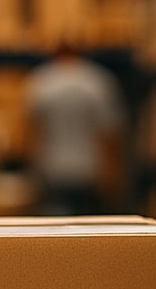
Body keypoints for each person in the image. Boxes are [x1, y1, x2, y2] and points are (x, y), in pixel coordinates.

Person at [25, 42, 125, 216]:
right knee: (88, 228)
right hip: (88, 169)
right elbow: (108, 133)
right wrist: (112, 173)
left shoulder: (41, 81)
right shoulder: (97, 81)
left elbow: (32, 129)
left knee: (55, 228)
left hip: (53, 169)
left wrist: (32, 170)